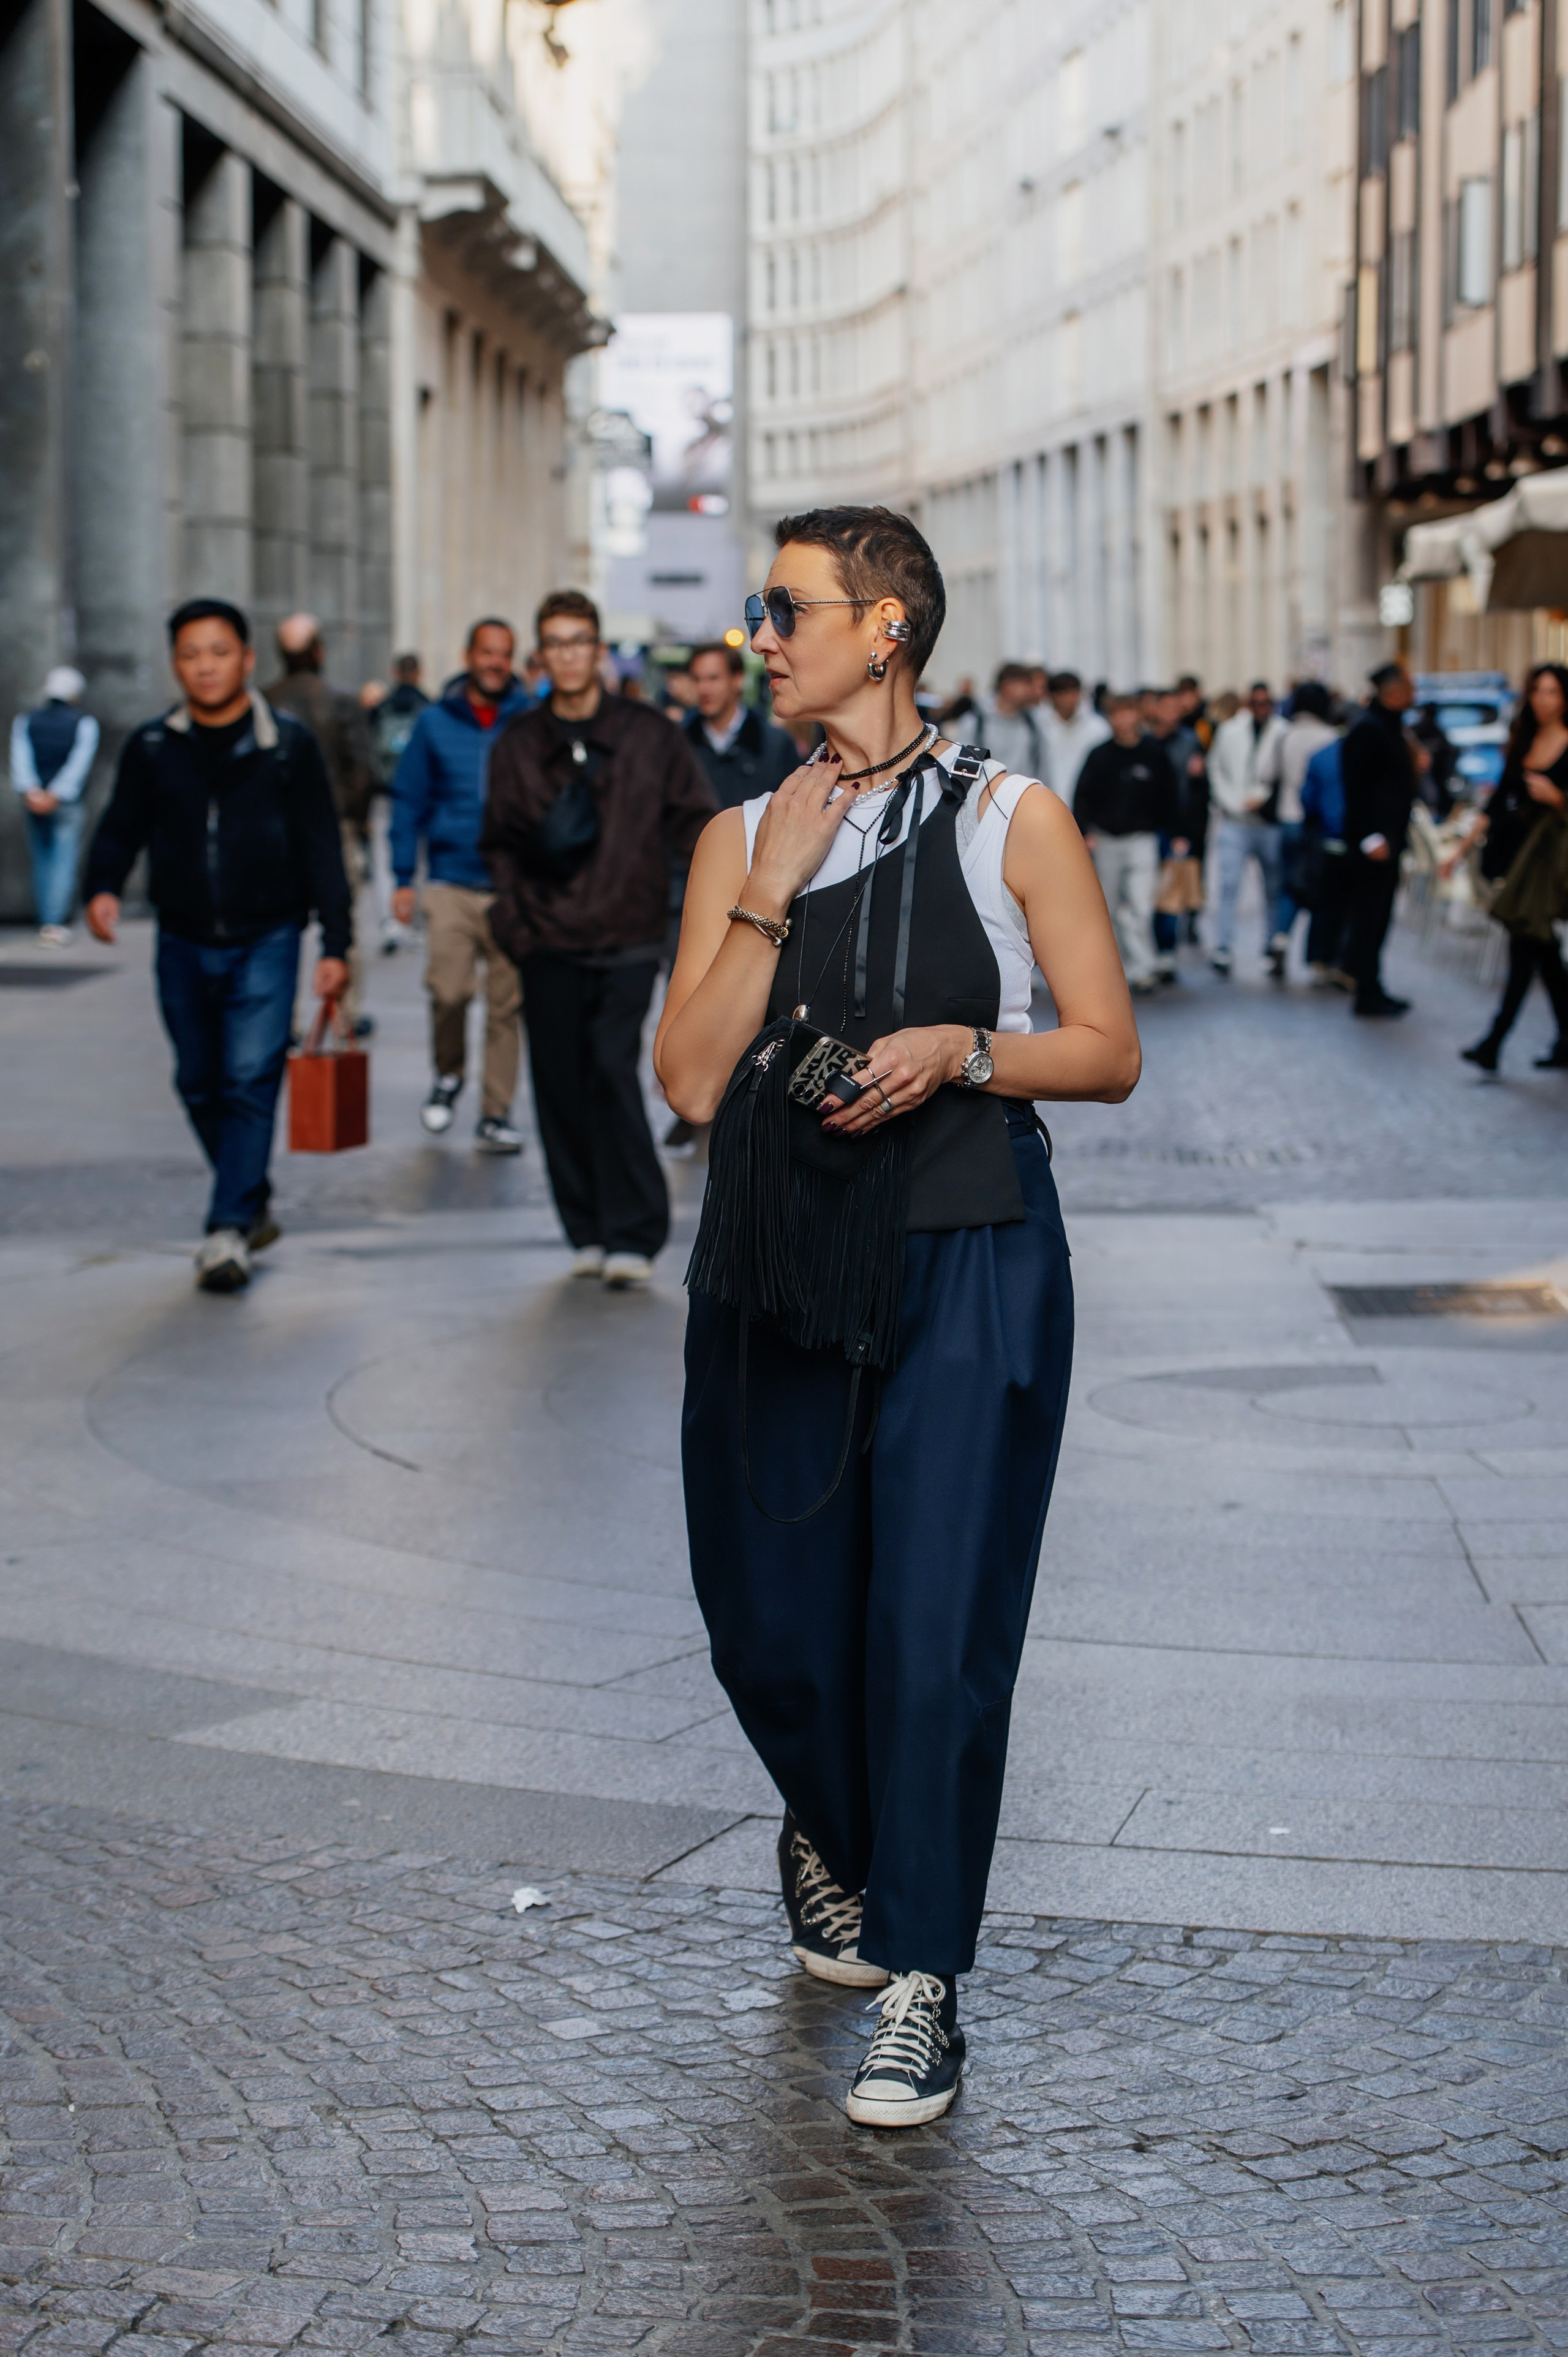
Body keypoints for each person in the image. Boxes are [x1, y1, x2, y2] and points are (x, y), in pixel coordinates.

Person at [654, 503, 1138, 2127]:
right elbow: (687, 1076)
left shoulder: (1016, 818)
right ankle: (834, 1824)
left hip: (968, 1252)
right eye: (755, 611)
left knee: (934, 1628)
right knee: (770, 1622)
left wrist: (961, 1047)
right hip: (781, 1267)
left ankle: (923, 1977)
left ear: (886, 627)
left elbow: (1106, 1046)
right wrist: (773, 886)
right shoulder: (742, 835)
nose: (757, 635)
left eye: (783, 607)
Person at [82, 598, 350, 1293]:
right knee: (197, 1079)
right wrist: (102, 885)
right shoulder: (152, 746)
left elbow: (322, 847)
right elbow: (119, 826)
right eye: (192, 654)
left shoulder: (285, 744)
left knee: (250, 1077)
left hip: (269, 934)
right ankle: (251, 1193)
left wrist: (336, 943)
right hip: (182, 935)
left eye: (219, 651)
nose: (206, 665)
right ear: (176, 664)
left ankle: (228, 1225)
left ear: (248, 658)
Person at [482, 590, 717, 1288]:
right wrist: (517, 927)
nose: (569, 654)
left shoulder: (650, 735)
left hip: (627, 936)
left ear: (597, 648)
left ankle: (635, 1232)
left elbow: (697, 828)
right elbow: (498, 843)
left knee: (611, 1073)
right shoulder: (520, 744)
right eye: (555, 642)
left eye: (580, 640)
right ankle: (584, 1225)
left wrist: (692, 920)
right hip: (545, 939)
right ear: (542, 656)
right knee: (558, 1084)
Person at [390, 619, 530, 1152]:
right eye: (487, 653)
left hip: (512, 888)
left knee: (505, 1006)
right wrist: (403, 877)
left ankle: (496, 1113)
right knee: (448, 992)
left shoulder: (529, 721)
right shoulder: (434, 723)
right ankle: (449, 1074)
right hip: (449, 881)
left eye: (505, 654)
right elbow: (408, 800)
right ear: (469, 656)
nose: (496, 662)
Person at [262, 614, 375, 1034]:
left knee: (279, 926)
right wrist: (359, 822)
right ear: (319, 651)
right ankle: (344, 1013)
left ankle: (281, 1017)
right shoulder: (341, 701)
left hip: (277, 829)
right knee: (341, 922)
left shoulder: (265, 700)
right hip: (333, 826)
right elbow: (361, 768)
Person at [1461, 661, 1568, 1072]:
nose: (1543, 700)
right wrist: (1459, 851)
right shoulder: (1524, 740)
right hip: (1519, 859)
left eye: (1552, 691)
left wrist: (1558, 799)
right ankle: (1539, 1039)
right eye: (1538, 691)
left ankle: (1494, 1041)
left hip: (1549, 862)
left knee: (1528, 946)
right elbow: (1495, 801)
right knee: (1541, 952)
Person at [1071, 693, 1177, 993]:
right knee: (1110, 907)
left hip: (1143, 839)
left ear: (1138, 716)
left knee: (1141, 906)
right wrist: (1086, 831)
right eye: (1117, 714)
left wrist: (1176, 836)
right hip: (1105, 840)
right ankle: (1115, 969)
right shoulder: (1099, 755)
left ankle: (1143, 968)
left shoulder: (1154, 755)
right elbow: (1083, 795)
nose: (1124, 720)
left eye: (1129, 713)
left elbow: (1170, 796)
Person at [1341, 661, 1418, 1017]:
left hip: (1387, 840)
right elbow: (1356, 789)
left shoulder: (1386, 727)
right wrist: (1370, 837)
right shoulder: (1369, 730)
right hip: (1374, 845)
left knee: (1378, 917)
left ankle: (1371, 984)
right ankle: (1366, 988)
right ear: (1395, 693)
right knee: (1370, 917)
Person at [10, 666, 99, 943]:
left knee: (43, 860)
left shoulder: (27, 720)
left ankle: (47, 919)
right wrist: (57, 794)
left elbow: (20, 758)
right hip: (66, 802)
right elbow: (78, 764)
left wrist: (33, 792)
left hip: (36, 799)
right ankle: (54, 922)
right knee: (63, 860)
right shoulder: (83, 722)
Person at [1206, 681, 1287, 976]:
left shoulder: (1282, 731)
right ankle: (1224, 947)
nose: (1261, 709)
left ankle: (1271, 946)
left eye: (1266, 703)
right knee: (1229, 886)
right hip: (1235, 820)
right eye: (1256, 703)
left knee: (1274, 888)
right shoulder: (1230, 731)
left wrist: (1262, 800)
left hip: (1268, 823)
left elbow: (1285, 778)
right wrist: (1232, 802)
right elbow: (1215, 769)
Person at [1261, 682, 1339, 979]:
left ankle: (1280, 939)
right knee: (1320, 885)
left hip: (1288, 818)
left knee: (1289, 885)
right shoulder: (1330, 737)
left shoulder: (1284, 735)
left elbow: (1266, 774)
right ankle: (1318, 958)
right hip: (1317, 822)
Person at [681, 641, 798, 809]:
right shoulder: (680, 742)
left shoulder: (775, 744)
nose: (704, 688)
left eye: (713, 678)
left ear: (738, 679)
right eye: (697, 679)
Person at [1145, 687, 1207, 982]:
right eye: (1166, 707)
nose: (1172, 714)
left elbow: (1197, 792)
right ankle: (1145, 952)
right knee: (1144, 891)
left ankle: (1166, 953)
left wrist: (1187, 832)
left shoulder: (1189, 742)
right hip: (1147, 826)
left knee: (1170, 890)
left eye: (1176, 709)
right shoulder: (1145, 742)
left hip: (1175, 827)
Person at [1299, 730, 1352, 986]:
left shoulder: (1321, 756)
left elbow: (1307, 798)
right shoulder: (1362, 756)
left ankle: (1319, 957)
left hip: (1327, 837)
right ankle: (1340, 961)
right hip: (1353, 839)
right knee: (1347, 904)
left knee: (1324, 901)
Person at [1038, 669, 1110, 804]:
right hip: (1048, 802)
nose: (1070, 699)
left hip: (1088, 804)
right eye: (1063, 693)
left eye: (1074, 692)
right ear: (1052, 696)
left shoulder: (1098, 728)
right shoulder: (1039, 727)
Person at [981, 663, 1046, 779]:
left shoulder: (1033, 723)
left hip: (1024, 794)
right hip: (986, 794)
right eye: (1026, 684)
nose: (1032, 690)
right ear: (1007, 686)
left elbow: (1042, 768)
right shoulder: (976, 723)